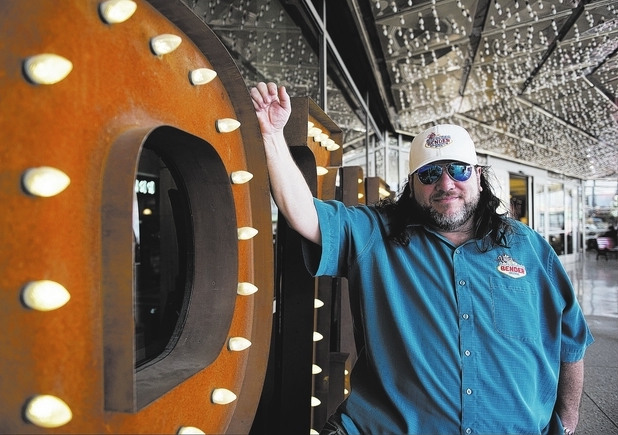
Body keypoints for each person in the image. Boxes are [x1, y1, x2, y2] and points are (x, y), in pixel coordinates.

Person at [250, 82, 593, 435]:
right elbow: (304, 214)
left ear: (478, 176)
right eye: (430, 174)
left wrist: (567, 422)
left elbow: (571, 339)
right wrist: (272, 135)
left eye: (458, 170)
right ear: (412, 185)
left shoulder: (528, 247)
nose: (445, 184)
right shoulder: (376, 234)